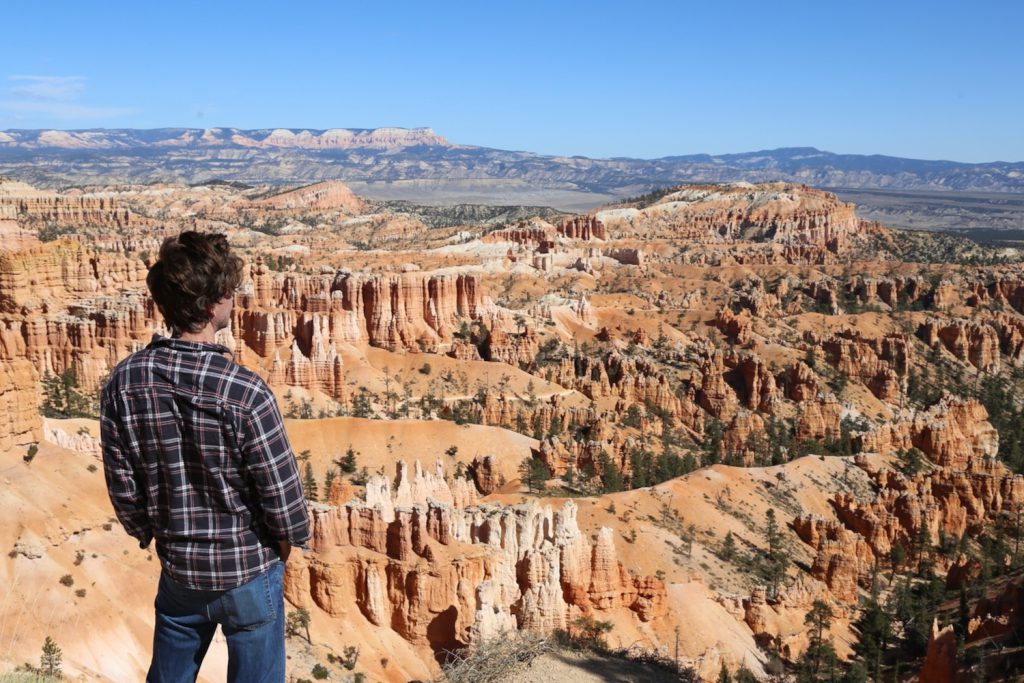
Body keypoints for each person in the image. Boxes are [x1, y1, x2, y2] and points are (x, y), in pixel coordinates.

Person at [100, 231, 311, 683]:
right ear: (215, 304)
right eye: (230, 293)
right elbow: (283, 494)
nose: (234, 301)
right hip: (249, 569)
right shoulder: (245, 391)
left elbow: (123, 488)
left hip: (180, 573)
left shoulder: (124, 382)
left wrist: (153, 534)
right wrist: (285, 542)